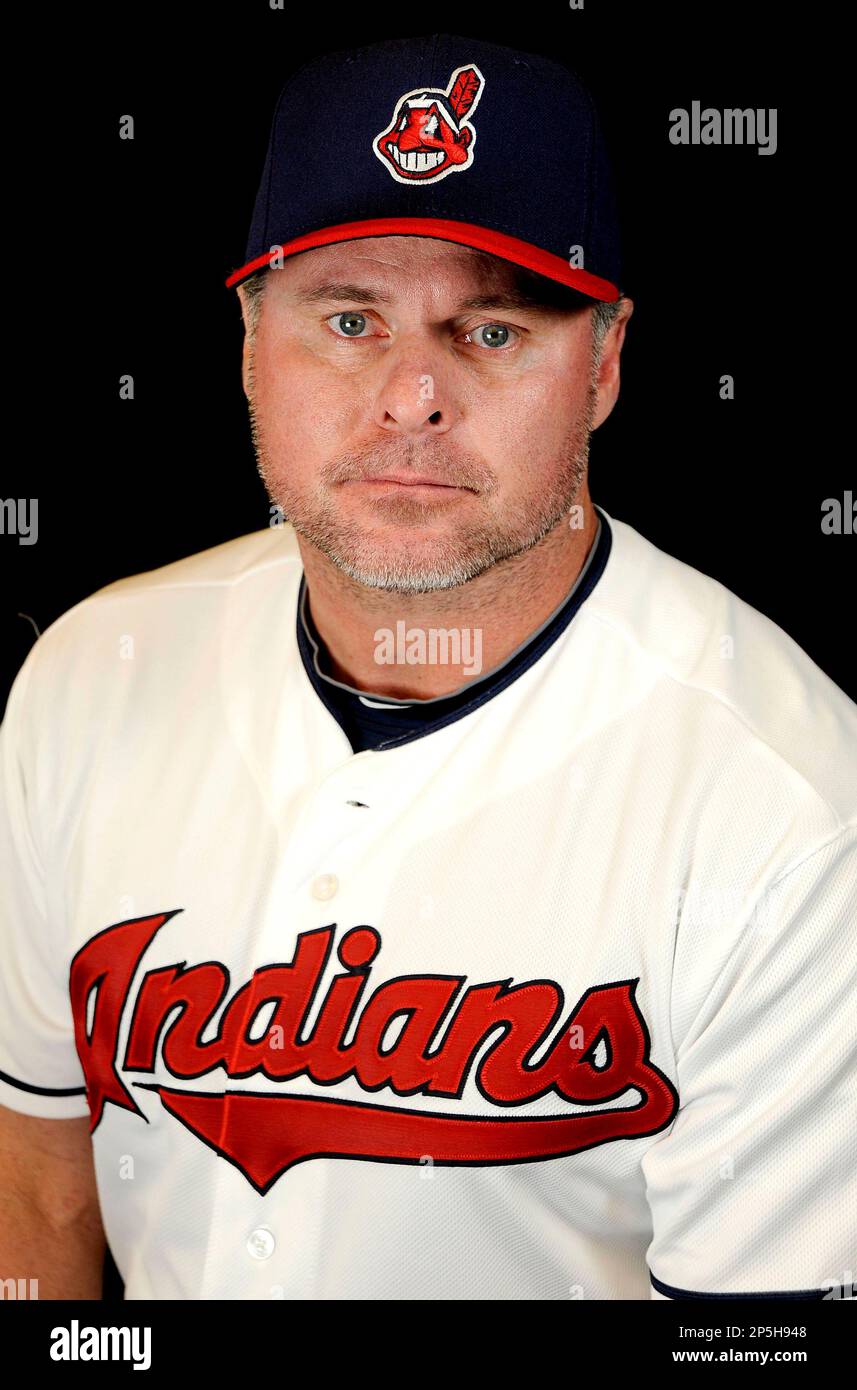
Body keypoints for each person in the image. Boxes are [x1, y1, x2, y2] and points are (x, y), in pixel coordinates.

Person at [1, 35, 854, 1302]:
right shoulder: (90, 674)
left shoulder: (789, 813)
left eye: (493, 329)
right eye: (347, 320)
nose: (410, 397)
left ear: (605, 364)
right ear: (249, 345)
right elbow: (38, 1170)